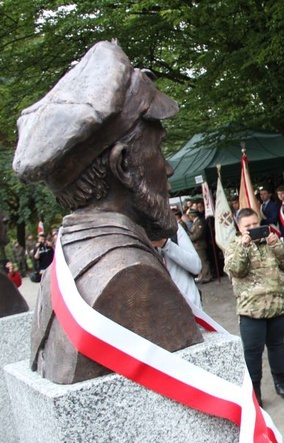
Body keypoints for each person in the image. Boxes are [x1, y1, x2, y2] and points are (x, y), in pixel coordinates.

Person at [12, 41, 203, 384]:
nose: (169, 168)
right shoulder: (131, 277)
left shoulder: (68, 262)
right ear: (124, 166)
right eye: (159, 149)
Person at [224, 208, 284, 407]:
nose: (253, 228)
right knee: (252, 352)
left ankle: (280, 382)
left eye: (255, 224)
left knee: (277, 346)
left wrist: (277, 246)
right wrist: (244, 247)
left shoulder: (271, 241)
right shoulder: (234, 246)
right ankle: (255, 392)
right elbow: (236, 270)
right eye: (248, 226)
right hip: (251, 310)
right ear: (239, 228)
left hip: (277, 305)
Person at [153, 221, 204, 310]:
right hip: (160, 312)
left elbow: (196, 266)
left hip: (190, 307)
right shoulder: (133, 235)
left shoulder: (173, 229)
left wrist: (165, 244)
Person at [187, 209, 212, 283]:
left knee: (203, 261)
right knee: (201, 261)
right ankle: (204, 275)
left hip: (200, 244)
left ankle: (207, 276)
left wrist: (189, 238)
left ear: (192, 215)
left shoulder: (199, 222)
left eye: (190, 215)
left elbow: (198, 234)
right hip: (197, 245)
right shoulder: (195, 223)